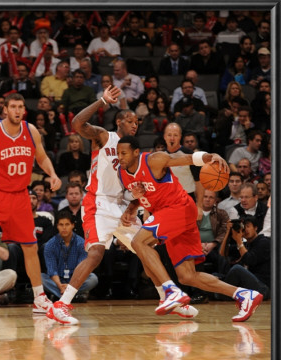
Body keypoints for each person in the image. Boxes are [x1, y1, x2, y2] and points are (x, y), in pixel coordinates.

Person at [47, 86, 198, 325]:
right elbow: (76, 123)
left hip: (122, 205)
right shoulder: (104, 137)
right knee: (96, 253)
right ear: (118, 122)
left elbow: (140, 186)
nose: (134, 124)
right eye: (129, 120)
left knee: (146, 250)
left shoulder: (136, 154)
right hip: (98, 201)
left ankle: (167, 298)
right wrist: (101, 101)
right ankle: (61, 304)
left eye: (137, 122)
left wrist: (133, 205)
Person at [116, 134, 263, 322]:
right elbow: (142, 194)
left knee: (139, 242)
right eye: (118, 153)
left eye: (124, 153)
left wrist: (210, 157)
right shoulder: (123, 173)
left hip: (177, 208)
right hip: (172, 215)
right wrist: (131, 207)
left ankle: (170, 291)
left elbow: (185, 159)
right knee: (187, 276)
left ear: (136, 152)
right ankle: (244, 295)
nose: (120, 157)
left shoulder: (154, 160)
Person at [0, 92, 62, 318]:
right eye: (13, 107)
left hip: (19, 197)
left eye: (21, 107)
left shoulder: (31, 131)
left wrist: (53, 174)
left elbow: (42, 157)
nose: (17, 111)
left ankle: (39, 298)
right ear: (5, 109)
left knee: (30, 246)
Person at [2, 188, 55, 290]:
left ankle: (46, 282)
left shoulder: (45, 221)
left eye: (34, 198)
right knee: (11, 247)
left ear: (37, 200)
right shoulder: (16, 220)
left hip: (38, 251)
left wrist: (32, 247)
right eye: (27, 198)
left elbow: (45, 239)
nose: (31, 201)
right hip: (20, 251)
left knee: (46, 246)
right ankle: (8, 286)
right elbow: (13, 238)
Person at [42, 210, 98, 303]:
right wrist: (60, 285)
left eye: (67, 224)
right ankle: (73, 295)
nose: (64, 228)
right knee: (41, 278)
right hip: (58, 280)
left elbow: (81, 269)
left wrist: (70, 286)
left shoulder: (81, 243)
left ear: (73, 225)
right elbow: (52, 270)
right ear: (57, 226)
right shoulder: (50, 245)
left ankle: (60, 295)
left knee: (93, 279)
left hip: (76, 279)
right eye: (61, 224)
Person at [218, 215, 271, 301]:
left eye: (248, 226)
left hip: (262, 288)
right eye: (243, 227)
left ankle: (222, 295)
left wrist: (239, 240)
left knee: (237, 269)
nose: (245, 230)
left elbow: (249, 260)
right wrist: (228, 232)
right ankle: (221, 294)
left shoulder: (264, 242)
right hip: (248, 286)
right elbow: (223, 253)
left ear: (256, 228)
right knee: (216, 276)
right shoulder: (246, 245)